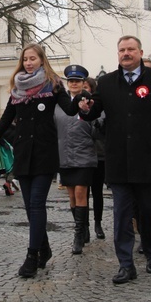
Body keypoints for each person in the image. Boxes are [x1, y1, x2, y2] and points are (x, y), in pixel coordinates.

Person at [78, 36, 151, 285]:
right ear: (118, 54)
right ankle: (126, 264)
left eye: (130, 49)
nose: (126, 53)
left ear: (140, 52)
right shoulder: (105, 82)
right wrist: (85, 107)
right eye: (122, 50)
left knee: (148, 211)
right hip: (117, 159)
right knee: (122, 214)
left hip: (147, 157)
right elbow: (94, 112)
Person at [0, 43, 84, 278]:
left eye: (33, 58)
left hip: (44, 154)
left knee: (36, 204)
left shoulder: (53, 85)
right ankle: (44, 248)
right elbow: (3, 124)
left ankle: (31, 256)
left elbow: (70, 109)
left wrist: (82, 101)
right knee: (29, 208)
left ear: (42, 60)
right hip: (23, 155)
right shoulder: (17, 91)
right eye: (25, 59)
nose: (28, 63)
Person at [54, 64, 97, 254]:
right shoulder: (59, 105)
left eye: (77, 81)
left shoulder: (91, 102)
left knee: (80, 193)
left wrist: (88, 113)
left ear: (83, 83)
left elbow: (98, 126)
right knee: (71, 196)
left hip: (84, 155)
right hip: (64, 155)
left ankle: (78, 235)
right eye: (70, 81)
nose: (73, 84)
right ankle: (83, 228)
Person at [84, 77, 106, 240]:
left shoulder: (99, 106)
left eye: (87, 87)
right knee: (82, 193)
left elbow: (103, 124)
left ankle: (98, 223)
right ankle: (83, 226)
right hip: (82, 155)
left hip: (99, 154)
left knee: (97, 192)